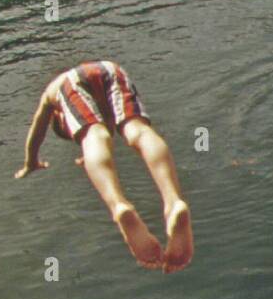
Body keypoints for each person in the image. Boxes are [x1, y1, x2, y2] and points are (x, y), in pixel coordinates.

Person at [15, 60, 193, 272]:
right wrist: (89, 157)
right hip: (112, 68)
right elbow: (106, 131)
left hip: (71, 84)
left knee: (93, 135)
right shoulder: (95, 92)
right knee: (138, 130)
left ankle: (119, 206)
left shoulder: (53, 93)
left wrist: (30, 161)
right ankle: (173, 201)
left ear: (59, 115)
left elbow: (37, 130)